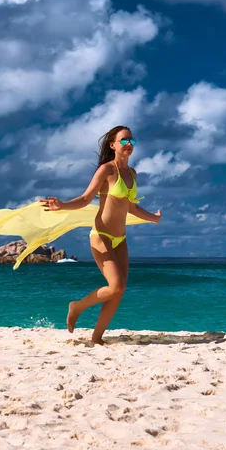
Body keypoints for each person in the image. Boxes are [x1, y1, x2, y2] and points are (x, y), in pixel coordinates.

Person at [41, 125, 161, 345]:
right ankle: (77, 306)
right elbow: (86, 199)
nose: (129, 145)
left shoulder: (132, 174)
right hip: (101, 236)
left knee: (119, 291)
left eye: (132, 141)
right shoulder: (107, 170)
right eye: (124, 141)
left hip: (120, 239)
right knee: (115, 286)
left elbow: (132, 208)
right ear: (112, 144)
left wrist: (153, 217)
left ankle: (96, 338)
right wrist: (63, 205)